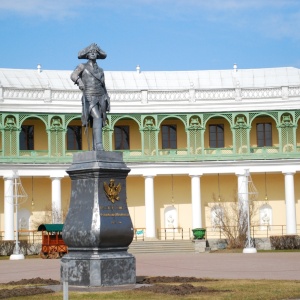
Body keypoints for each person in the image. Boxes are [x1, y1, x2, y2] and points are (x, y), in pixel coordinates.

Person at [71, 43, 110, 151]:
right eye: (90, 52)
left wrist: (106, 96)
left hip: (101, 96)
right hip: (89, 97)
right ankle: (99, 145)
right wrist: (79, 81)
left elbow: (103, 84)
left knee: (99, 121)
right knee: (97, 117)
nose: (93, 53)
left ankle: (95, 147)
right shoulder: (82, 66)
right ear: (87, 55)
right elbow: (73, 75)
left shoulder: (101, 70)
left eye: (95, 52)